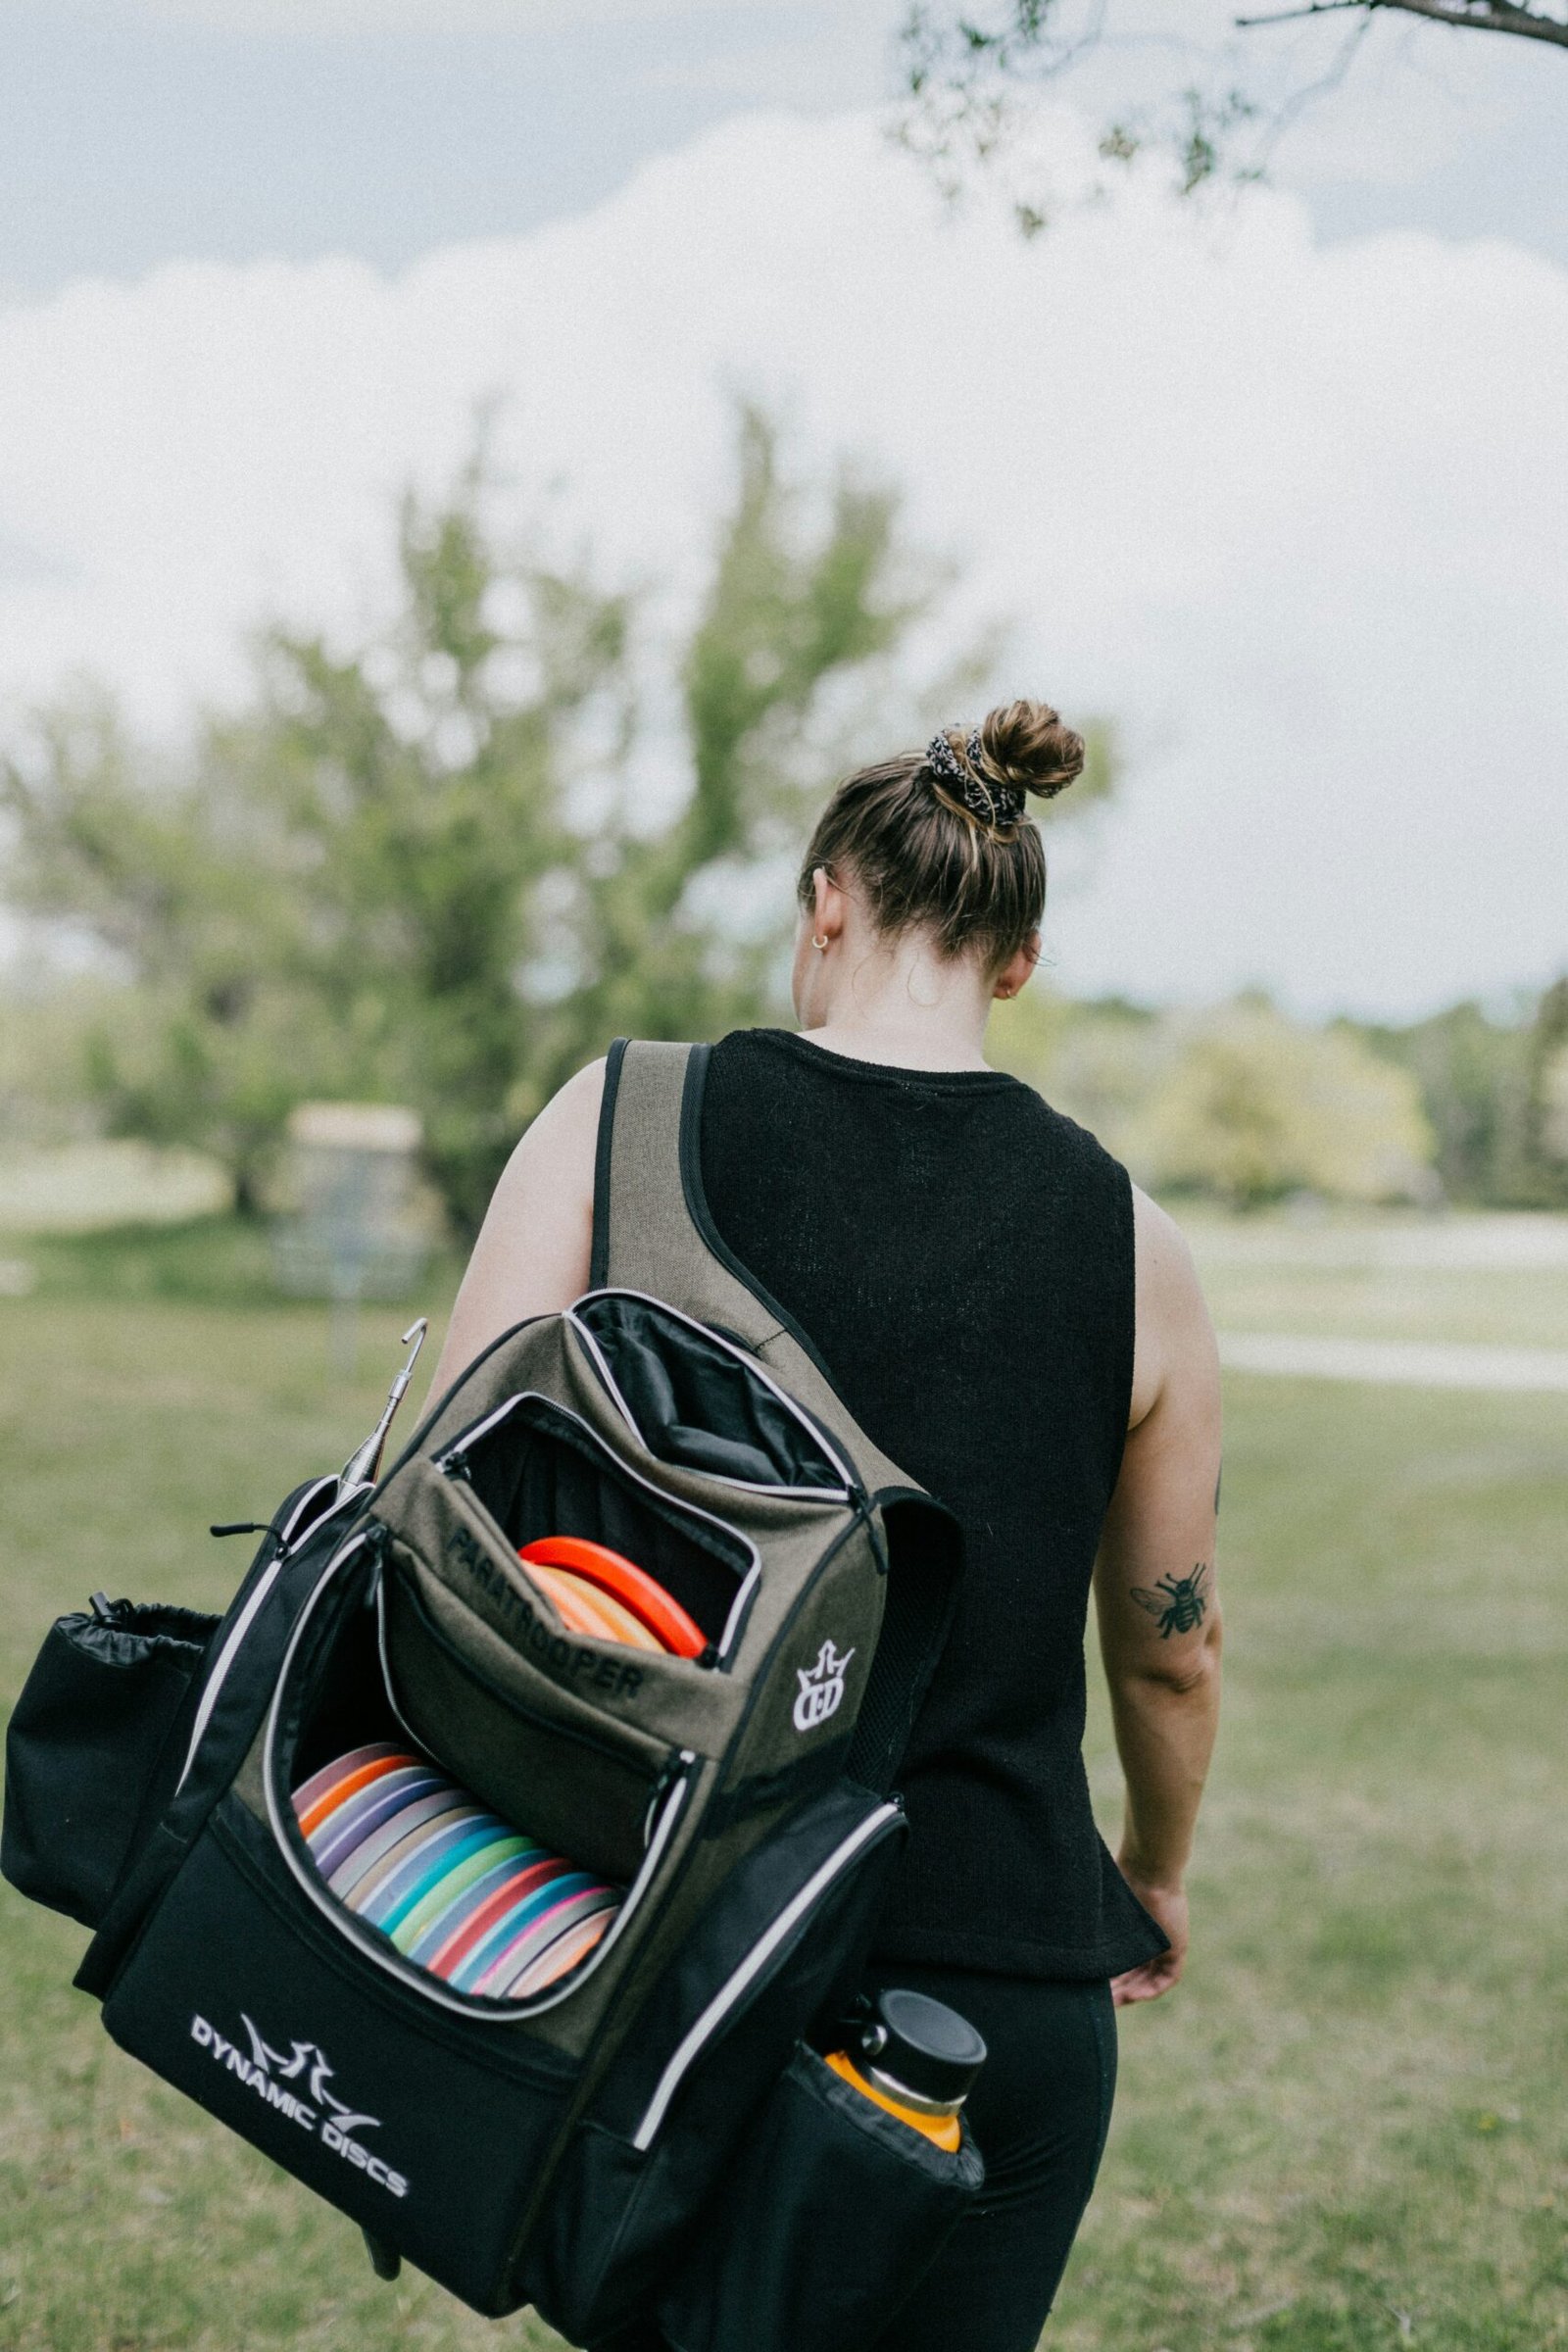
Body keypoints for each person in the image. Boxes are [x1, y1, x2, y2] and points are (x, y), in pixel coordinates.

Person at [427, 699, 1224, 2352]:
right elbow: (1167, 1653)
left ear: (825, 907)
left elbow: (444, 1481)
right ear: (1016, 964)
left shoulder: (622, 1117)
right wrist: (1149, 1870)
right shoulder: (1130, 1237)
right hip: (995, 1981)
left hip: (659, 1941)